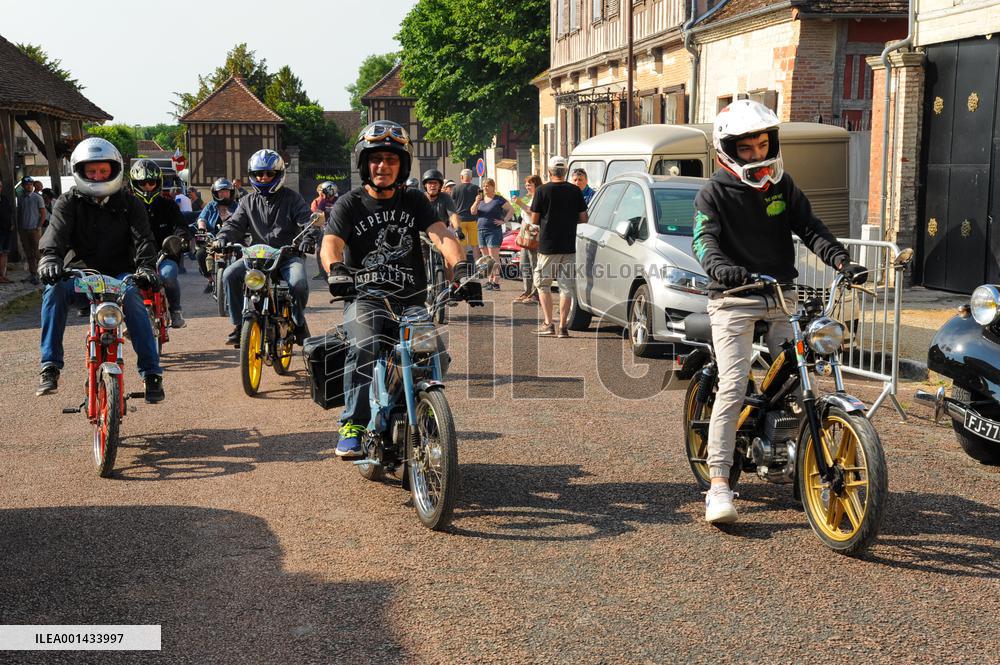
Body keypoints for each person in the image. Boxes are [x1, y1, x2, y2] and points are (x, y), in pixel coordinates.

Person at [692, 99, 867, 525]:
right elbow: (703, 242)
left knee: (796, 377)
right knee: (735, 383)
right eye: (747, 149)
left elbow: (810, 228)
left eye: (762, 144)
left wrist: (842, 261)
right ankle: (718, 485)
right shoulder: (712, 192)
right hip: (732, 297)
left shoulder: (782, 186)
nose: (757, 155)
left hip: (780, 297)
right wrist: (723, 269)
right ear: (728, 152)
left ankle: (793, 460)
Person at [320, 120, 477, 459]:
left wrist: (462, 269)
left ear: (402, 165)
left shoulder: (415, 200)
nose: (383, 166)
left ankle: (423, 410)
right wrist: (336, 270)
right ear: (365, 164)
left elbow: (441, 235)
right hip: (365, 298)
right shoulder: (350, 203)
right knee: (363, 346)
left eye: (391, 160)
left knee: (434, 354)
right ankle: (354, 423)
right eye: (376, 159)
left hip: (410, 300)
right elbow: (331, 243)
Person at [35, 137, 165, 401]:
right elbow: (55, 234)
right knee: (53, 291)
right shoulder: (67, 202)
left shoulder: (131, 203)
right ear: (80, 172)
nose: (97, 176)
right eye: (91, 171)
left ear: (114, 170)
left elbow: (144, 239)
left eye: (103, 171)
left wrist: (147, 267)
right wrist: (49, 259)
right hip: (81, 276)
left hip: (120, 276)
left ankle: (151, 374)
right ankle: (49, 367)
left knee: (136, 304)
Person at [216, 149, 312, 347]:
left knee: (298, 283)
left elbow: (306, 221)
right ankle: (238, 324)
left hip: (287, 256)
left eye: (269, 173)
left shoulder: (293, 199)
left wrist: (308, 238)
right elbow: (234, 224)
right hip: (256, 257)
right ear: (252, 175)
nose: (264, 177)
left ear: (278, 175)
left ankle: (298, 321)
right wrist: (223, 238)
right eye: (259, 173)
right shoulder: (246, 201)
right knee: (229, 275)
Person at [530, 156, 588, 338]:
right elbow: (584, 218)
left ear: (549, 172)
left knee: (543, 284)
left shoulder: (542, 190)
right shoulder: (575, 191)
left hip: (548, 245)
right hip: (569, 245)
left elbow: (534, 220)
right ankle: (563, 327)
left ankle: (549, 324)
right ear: (566, 173)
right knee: (566, 287)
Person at [129, 159, 188, 328]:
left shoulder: (168, 205)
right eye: (142, 183)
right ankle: (129, 317)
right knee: (127, 283)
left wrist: (181, 239)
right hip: (136, 258)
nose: (147, 186)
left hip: (164, 255)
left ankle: (176, 311)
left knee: (167, 276)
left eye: (151, 182)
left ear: (158, 183)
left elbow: (180, 226)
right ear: (135, 183)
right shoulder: (128, 206)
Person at [196, 178, 239, 292]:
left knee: (243, 255)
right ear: (215, 193)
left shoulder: (238, 206)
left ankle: (241, 281)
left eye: (225, 191)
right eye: (220, 191)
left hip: (232, 239)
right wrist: (201, 229)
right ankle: (210, 280)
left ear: (231, 192)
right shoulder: (211, 206)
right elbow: (202, 218)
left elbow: (244, 220)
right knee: (200, 254)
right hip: (212, 238)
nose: (223, 194)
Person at [470, 177, 512, 291]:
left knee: (494, 257)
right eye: (484, 186)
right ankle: (489, 280)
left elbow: (511, 209)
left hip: (493, 230)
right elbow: (473, 211)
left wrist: (504, 220)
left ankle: (496, 282)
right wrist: (476, 201)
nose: (485, 188)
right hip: (480, 229)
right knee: (486, 258)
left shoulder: (498, 199)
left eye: (488, 186)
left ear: (493, 187)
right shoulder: (481, 200)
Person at [511, 174, 542, 304]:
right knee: (524, 265)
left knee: (535, 265)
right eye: (526, 184)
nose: (527, 187)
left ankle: (536, 294)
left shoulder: (538, 198)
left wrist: (520, 203)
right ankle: (527, 291)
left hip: (534, 235)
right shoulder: (530, 198)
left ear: (537, 185)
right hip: (525, 234)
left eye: (530, 184)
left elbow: (532, 212)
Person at [16, 176, 46, 285]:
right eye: (26, 184)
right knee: (28, 252)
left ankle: (42, 273)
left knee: (37, 252)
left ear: (32, 186)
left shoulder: (37, 198)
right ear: (23, 186)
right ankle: (33, 273)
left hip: (34, 229)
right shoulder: (20, 198)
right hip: (24, 229)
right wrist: (19, 227)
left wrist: (39, 226)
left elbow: (43, 213)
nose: (29, 186)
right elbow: (19, 213)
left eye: (30, 184)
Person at [451, 168, 481, 261]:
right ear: (471, 178)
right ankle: (477, 268)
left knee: (462, 245)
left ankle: (464, 267)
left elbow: (452, 204)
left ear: (461, 177)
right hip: (473, 220)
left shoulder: (456, 188)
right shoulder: (476, 188)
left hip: (460, 221)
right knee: (475, 245)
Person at [0, 180, 12, 283]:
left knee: (4, 253)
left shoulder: (4, 199)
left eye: (0, 186)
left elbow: (10, 212)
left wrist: (11, 224)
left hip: (6, 230)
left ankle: (3, 275)